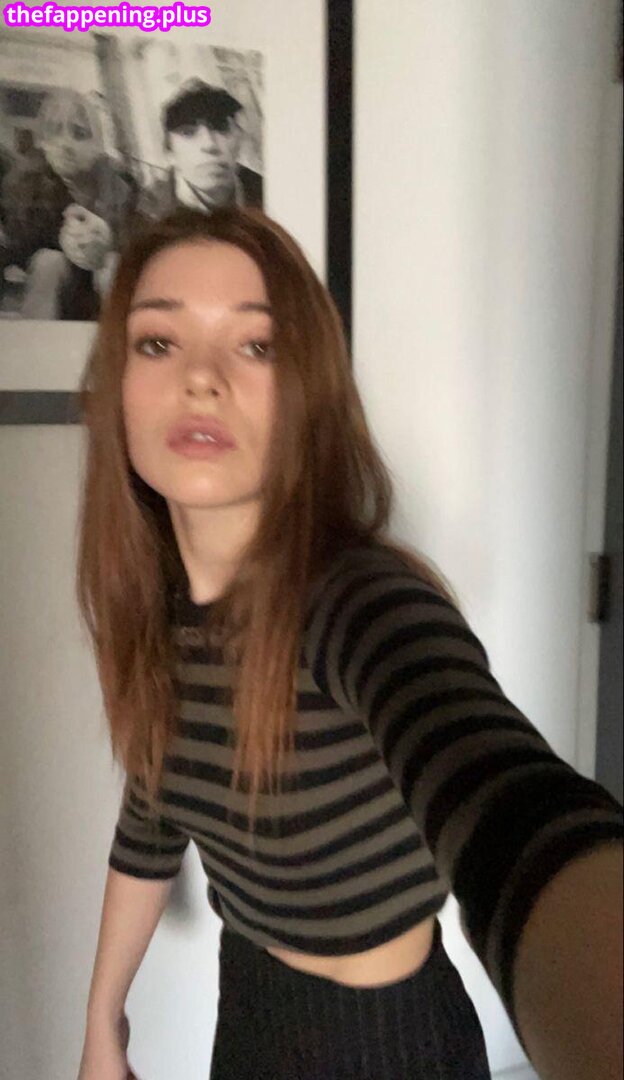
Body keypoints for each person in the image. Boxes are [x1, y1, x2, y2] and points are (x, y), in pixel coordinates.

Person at [75, 206, 623, 1080]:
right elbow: (149, 822)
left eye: (256, 345)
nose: (202, 379)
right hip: (247, 1009)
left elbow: (499, 788)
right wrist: (103, 1018)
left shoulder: (358, 601)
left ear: (308, 395)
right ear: (116, 387)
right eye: (159, 343)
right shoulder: (160, 621)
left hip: (385, 1042)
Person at [16, 87, 138, 320]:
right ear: (42, 139)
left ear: (96, 140)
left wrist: (107, 238)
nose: (66, 143)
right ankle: (40, 339)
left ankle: (122, 337)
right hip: (58, 291)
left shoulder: (119, 184)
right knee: (47, 262)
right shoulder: (30, 181)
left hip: (101, 290)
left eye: (79, 133)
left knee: (114, 264)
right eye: (55, 131)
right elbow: (20, 244)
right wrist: (62, 236)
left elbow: (138, 238)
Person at [137, 78, 263, 221]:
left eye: (221, 127)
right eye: (188, 133)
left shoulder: (271, 194)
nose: (209, 144)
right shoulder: (145, 215)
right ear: (169, 153)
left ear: (239, 139)